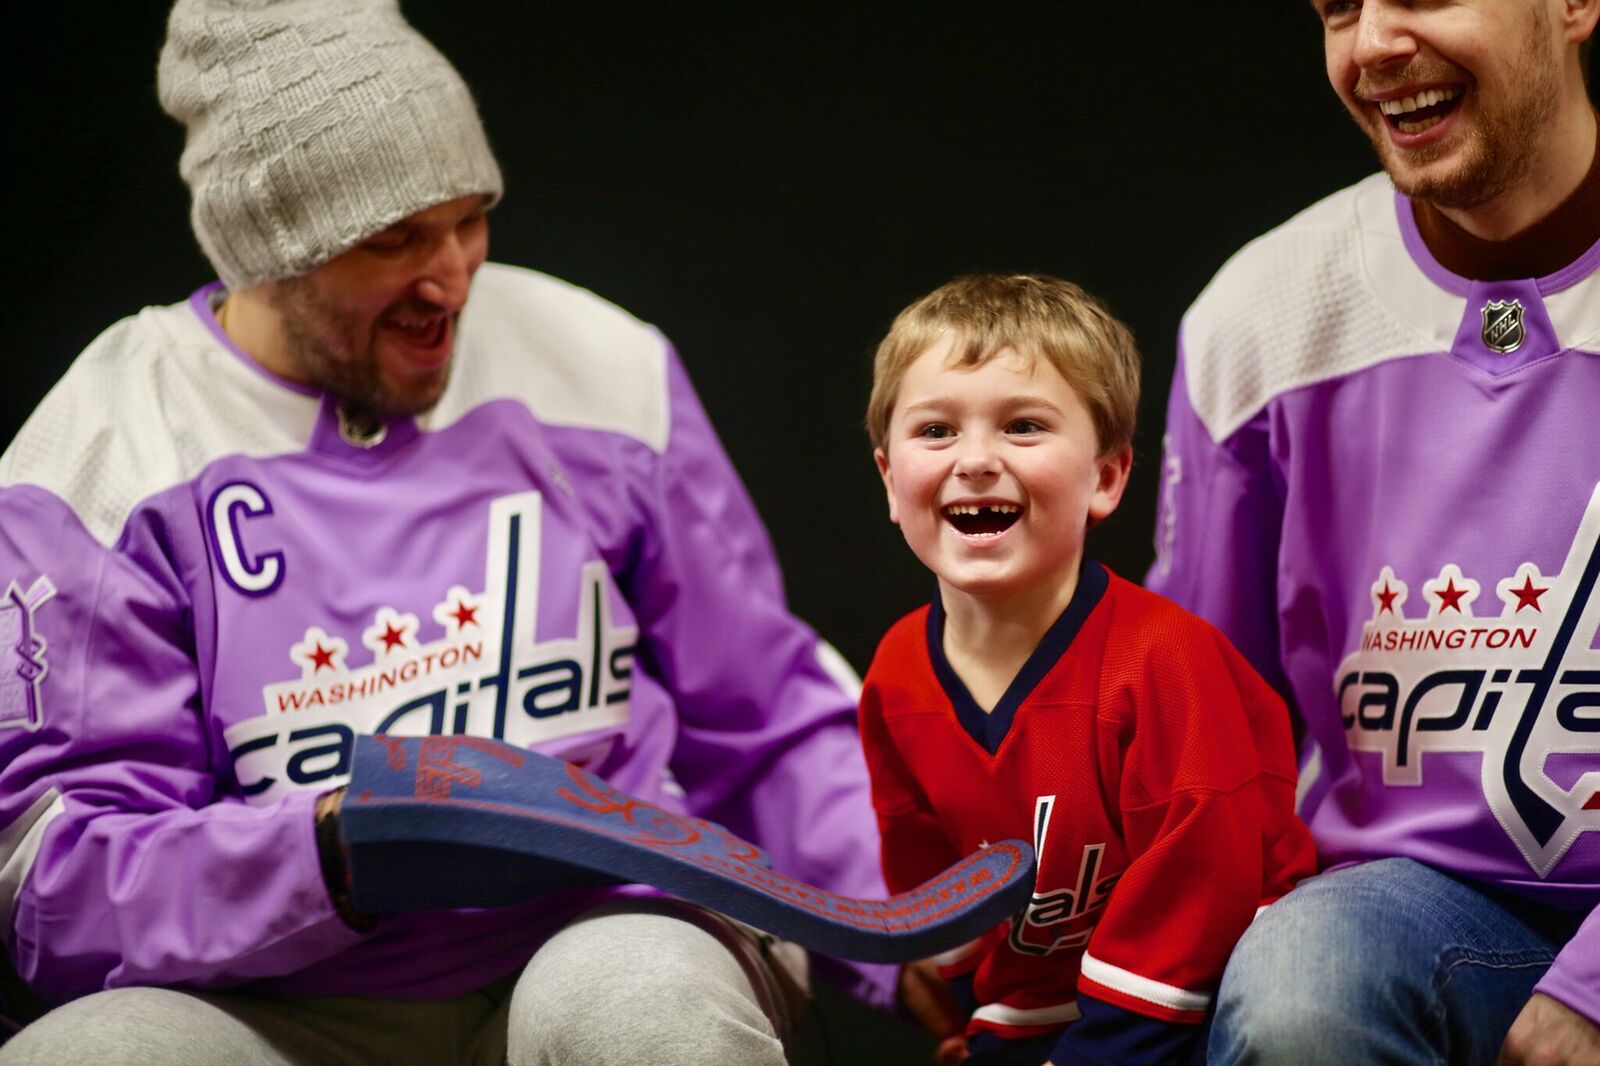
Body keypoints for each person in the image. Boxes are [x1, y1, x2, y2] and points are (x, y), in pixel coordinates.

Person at [0, 1, 900, 1062]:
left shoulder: (595, 363)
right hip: (270, 1000)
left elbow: (761, 708)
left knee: (642, 998)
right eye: (395, 237)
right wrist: (331, 850)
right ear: (266, 250)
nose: (453, 274)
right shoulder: (104, 453)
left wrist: (904, 936)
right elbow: (47, 875)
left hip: (597, 926)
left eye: (468, 217)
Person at [1145, 1, 1600, 1063]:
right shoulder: (1260, 316)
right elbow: (1195, 754)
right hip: (1408, 913)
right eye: (1339, 7)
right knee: (1306, 983)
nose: (1374, 45)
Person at [856, 274, 1317, 1066]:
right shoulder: (897, 673)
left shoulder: (1162, 662)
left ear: (1105, 477)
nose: (975, 460)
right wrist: (990, 1027)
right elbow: (935, 885)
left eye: (1024, 427)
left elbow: (1200, 908)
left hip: (1216, 1016)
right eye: (935, 431)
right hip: (1056, 1028)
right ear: (891, 481)